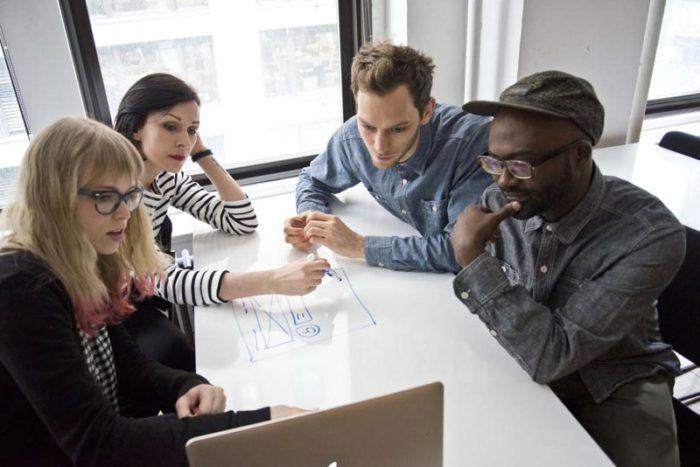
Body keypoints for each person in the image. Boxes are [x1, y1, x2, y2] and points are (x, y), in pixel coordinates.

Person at [0, 117, 304, 467]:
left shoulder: (83, 257)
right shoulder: (21, 288)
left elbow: (129, 366)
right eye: (104, 197)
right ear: (55, 199)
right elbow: (98, 443)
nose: (125, 214)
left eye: (129, 195)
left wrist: (185, 385)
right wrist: (260, 425)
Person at [451, 71, 684, 467]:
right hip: (522, 358)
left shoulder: (649, 235)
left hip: (614, 381)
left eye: (522, 165)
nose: (504, 180)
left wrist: (474, 259)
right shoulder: (503, 197)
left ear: (579, 154)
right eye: (494, 161)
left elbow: (552, 357)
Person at [114, 73, 329, 374]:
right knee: (188, 353)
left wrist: (202, 155)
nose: (183, 141)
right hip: (115, 313)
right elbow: (169, 283)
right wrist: (273, 281)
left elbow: (241, 220)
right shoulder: (118, 194)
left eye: (192, 131)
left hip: (147, 296)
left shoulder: (164, 177)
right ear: (136, 127)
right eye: (169, 126)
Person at [284, 42, 492, 272]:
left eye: (398, 129)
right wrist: (311, 220)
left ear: (427, 111)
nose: (379, 146)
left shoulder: (473, 145)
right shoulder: (352, 135)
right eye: (368, 126)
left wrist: (360, 246)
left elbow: (461, 250)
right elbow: (311, 179)